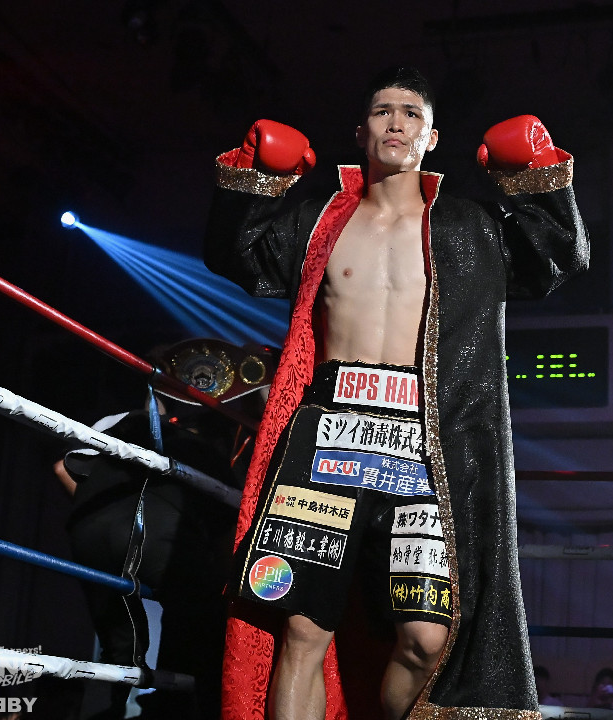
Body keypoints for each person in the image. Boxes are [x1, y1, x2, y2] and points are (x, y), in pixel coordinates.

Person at [203, 66, 588, 720]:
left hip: (424, 445)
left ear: (431, 137)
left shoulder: (467, 227)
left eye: (412, 114)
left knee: (428, 641)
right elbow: (233, 253)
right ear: (361, 131)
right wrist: (257, 177)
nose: (397, 123)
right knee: (300, 627)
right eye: (384, 111)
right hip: (328, 430)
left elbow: (558, 258)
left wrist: (534, 174)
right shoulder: (319, 221)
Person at [55, 338, 273, 719]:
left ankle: (109, 710)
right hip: (158, 539)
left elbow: (63, 468)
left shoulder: (118, 421)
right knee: (202, 615)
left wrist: (104, 509)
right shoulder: (207, 455)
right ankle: (172, 706)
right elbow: (224, 541)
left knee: (118, 646)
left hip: (88, 529)